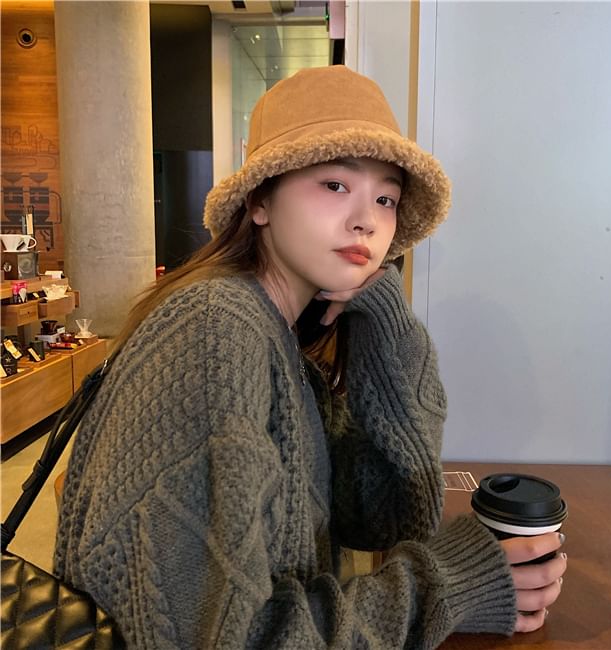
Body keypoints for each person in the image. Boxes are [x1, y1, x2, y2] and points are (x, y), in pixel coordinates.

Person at [54, 65, 566, 649]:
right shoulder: (216, 328)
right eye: (334, 185)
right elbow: (231, 639)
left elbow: (388, 518)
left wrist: (384, 321)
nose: (366, 219)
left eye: (386, 198)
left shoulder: (284, 342)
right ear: (260, 202)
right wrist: (449, 584)